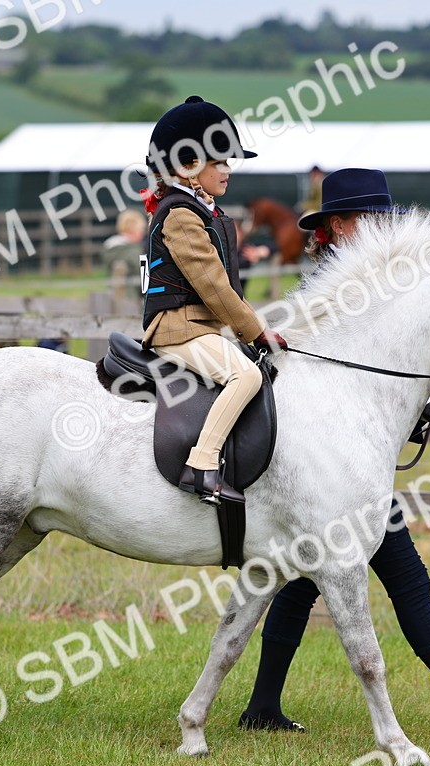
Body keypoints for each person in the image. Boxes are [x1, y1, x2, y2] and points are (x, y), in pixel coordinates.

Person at [244, 168, 430, 743]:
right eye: (369, 218)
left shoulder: (376, 282)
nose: (381, 229)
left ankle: (263, 705)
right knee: (404, 579)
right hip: (325, 466)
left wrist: (427, 409)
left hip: (338, 466)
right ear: (336, 225)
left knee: (301, 583)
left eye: (384, 218)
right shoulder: (336, 282)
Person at [141, 95, 287, 506]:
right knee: (247, 376)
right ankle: (202, 465)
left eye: (228, 162)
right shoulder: (180, 216)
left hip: (197, 327)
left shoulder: (201, 210)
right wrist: (257, 332)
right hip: (177, 329)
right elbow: (216, 289)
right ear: (188, 165)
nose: (227, 171)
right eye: (218, 162)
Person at [100, 208, 147, 305]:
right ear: (133, 229)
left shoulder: (111, 248)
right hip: (132, 299)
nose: (142, 233)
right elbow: (141, 271)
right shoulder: (132, 250)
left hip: (115, 295)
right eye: (141, 229)